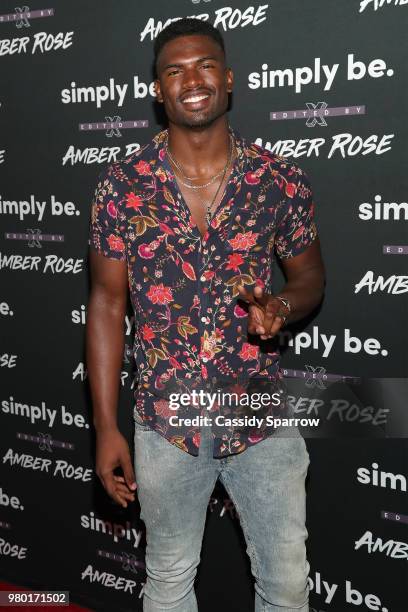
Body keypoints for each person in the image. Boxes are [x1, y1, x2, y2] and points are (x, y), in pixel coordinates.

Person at [86, 17, 325, 612]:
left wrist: (283, 305)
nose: (192, 80)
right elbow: (108, 304)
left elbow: (309, 277)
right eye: (175, 70)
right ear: (157, 91)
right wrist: (107, 427)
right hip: (166, 420)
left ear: (229, 79)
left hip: (258, 411)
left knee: (288, 584)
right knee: (168, 581)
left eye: (205, 65)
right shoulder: (121, 185)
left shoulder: (279, 179)